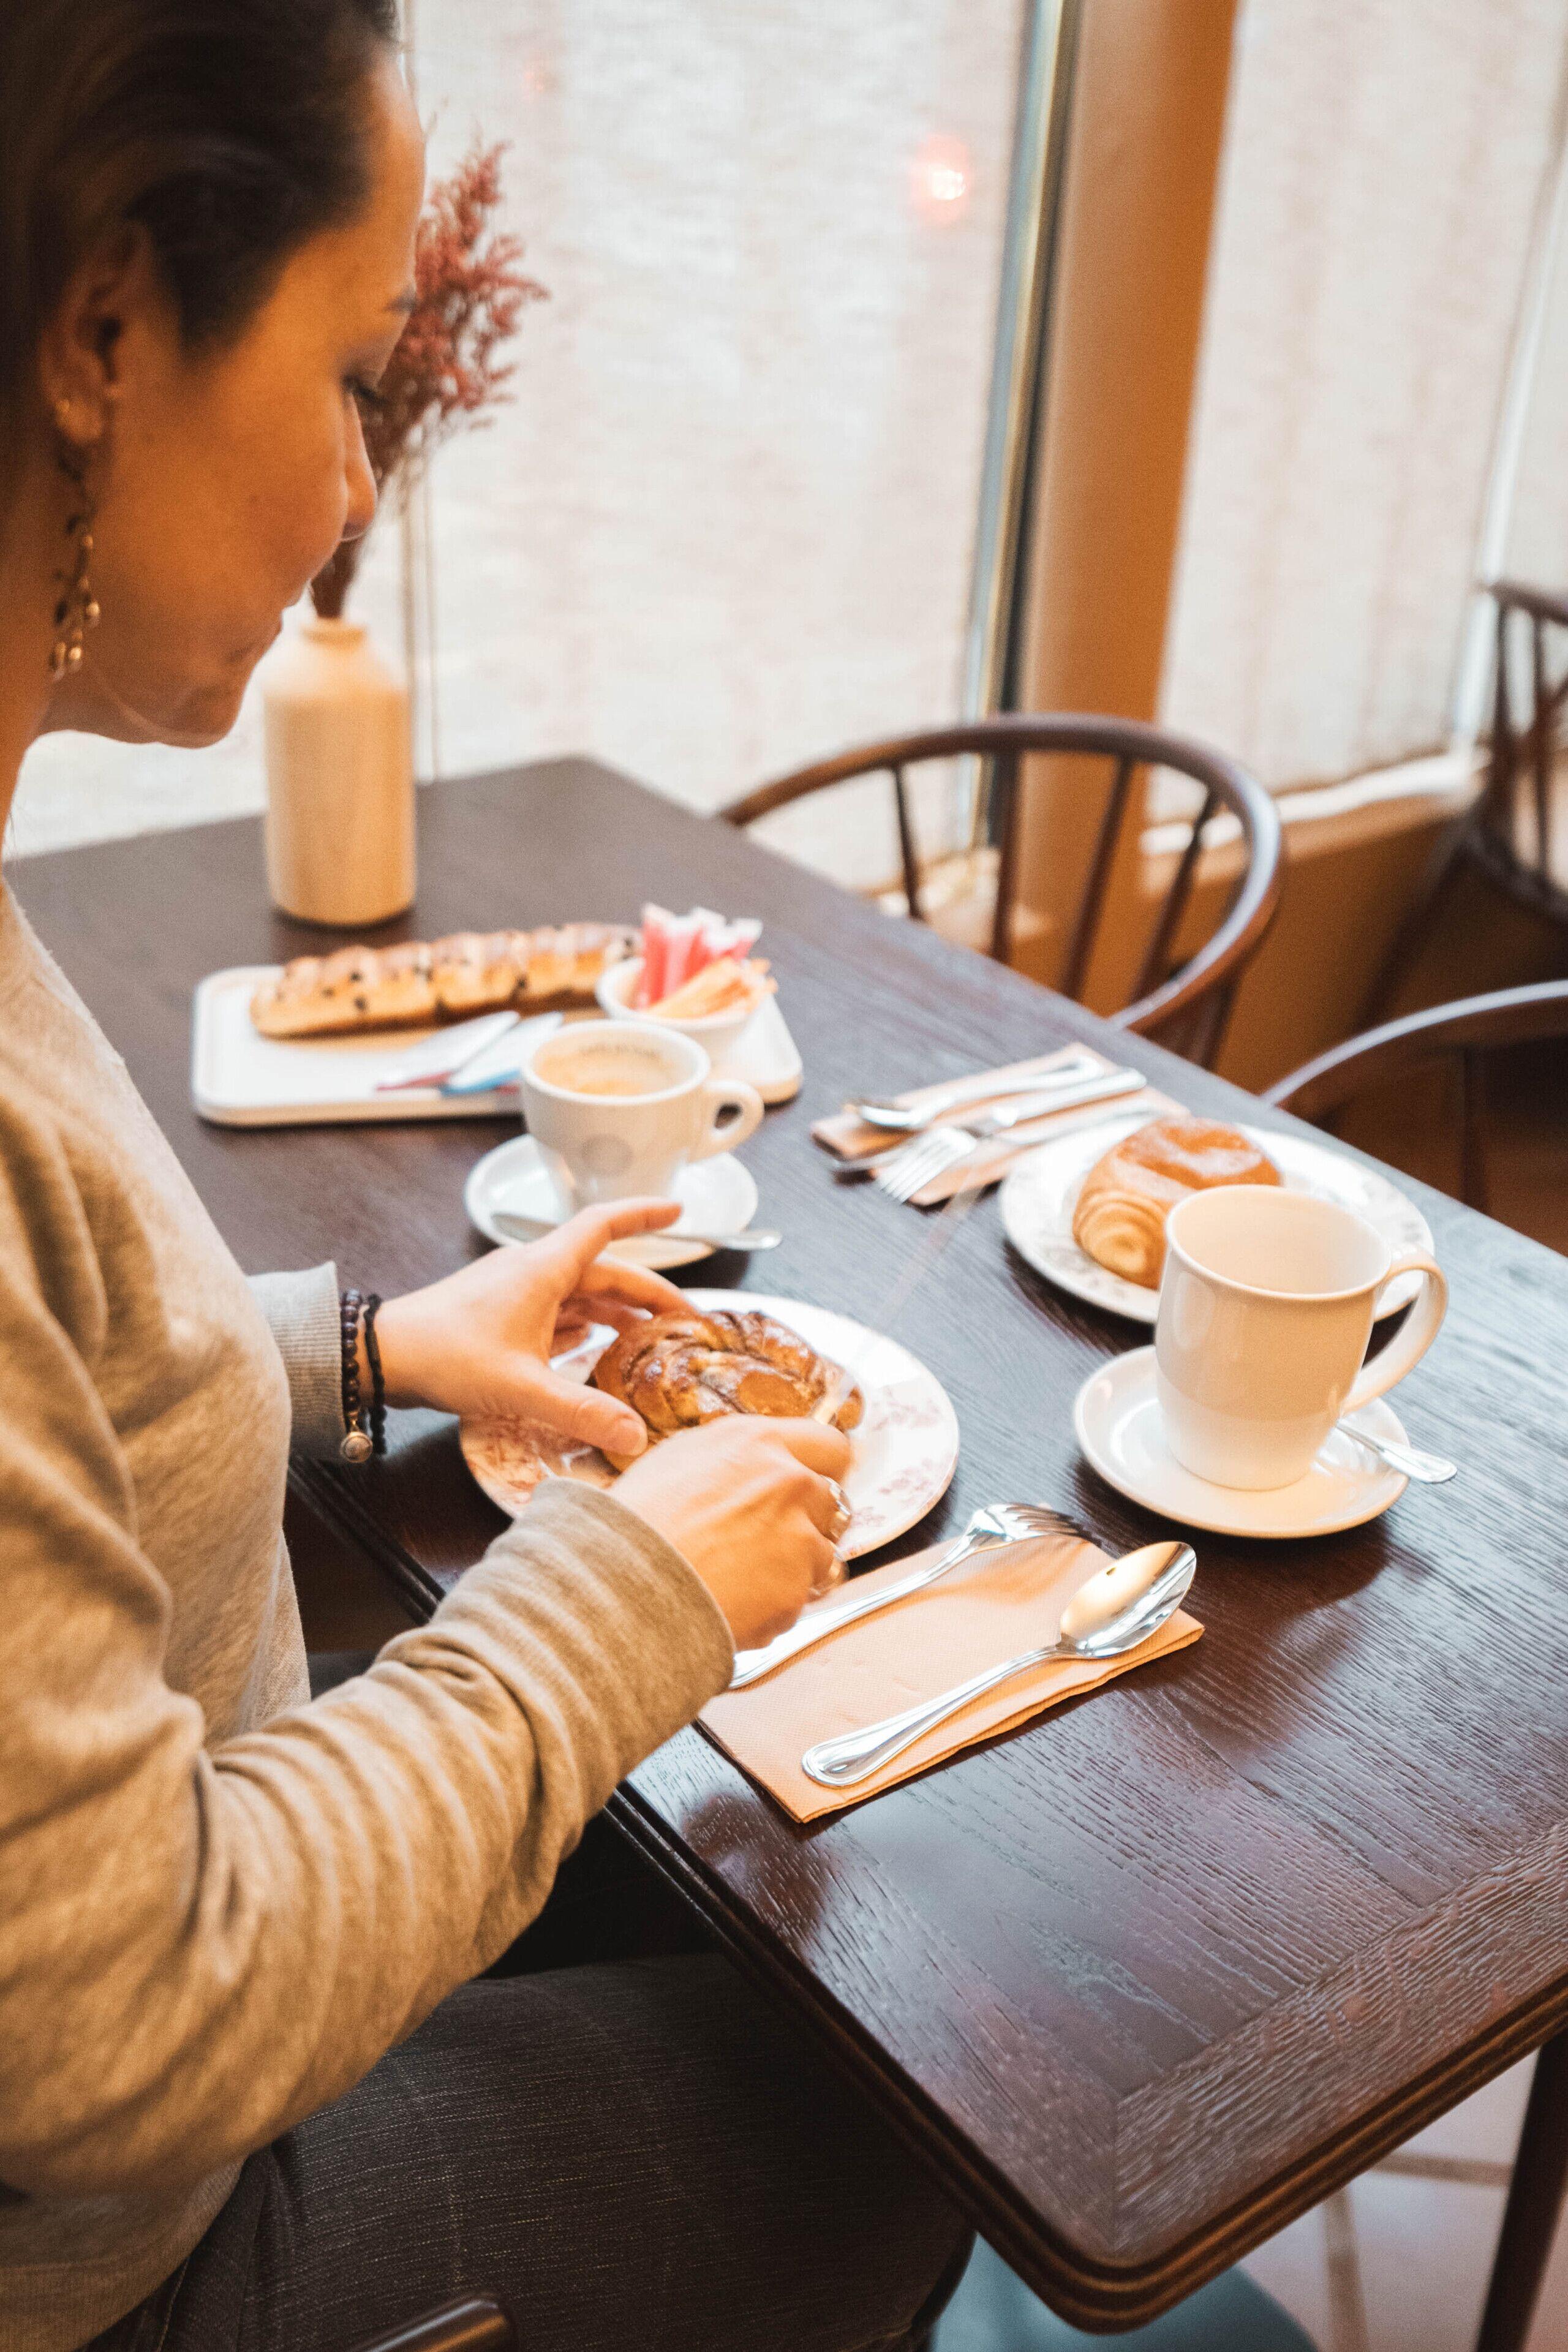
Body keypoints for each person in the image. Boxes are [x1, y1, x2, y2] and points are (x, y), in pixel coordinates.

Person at [0, 6, 970, 2346]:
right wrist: (624, 1588)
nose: (358, 487)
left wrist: (345, 1341)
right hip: (124, 2257)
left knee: (739, 1877)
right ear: (112, 326)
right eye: (347, 373)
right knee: (892, 2123)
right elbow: (107, 2030)